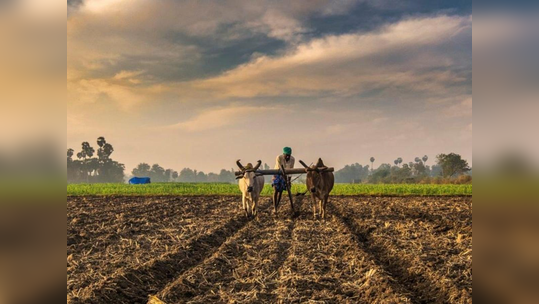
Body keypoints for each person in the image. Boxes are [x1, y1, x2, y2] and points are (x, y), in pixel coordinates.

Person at [272, 147, 295, 213]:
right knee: (276, 190)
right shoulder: (279, 158)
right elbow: (280, 169)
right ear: (283, 154)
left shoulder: (292, 159)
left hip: (286, 175)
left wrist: (289, 181)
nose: (287, 157)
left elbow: (291, 170)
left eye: (289, 155)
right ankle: (275, 207)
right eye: (286, 155)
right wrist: (284, 177)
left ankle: (277, 205)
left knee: (281, 191)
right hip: (277, 174)